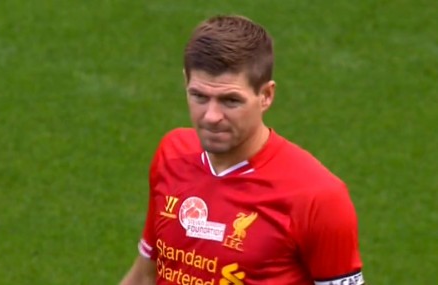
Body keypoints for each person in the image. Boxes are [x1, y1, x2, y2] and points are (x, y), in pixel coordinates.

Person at [120, 15, 365, 285]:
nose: (211, 116)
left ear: (266, 96)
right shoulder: (172, 155)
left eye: (230, 100)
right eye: (199, 96)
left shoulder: (317, 197)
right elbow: (145, 274)